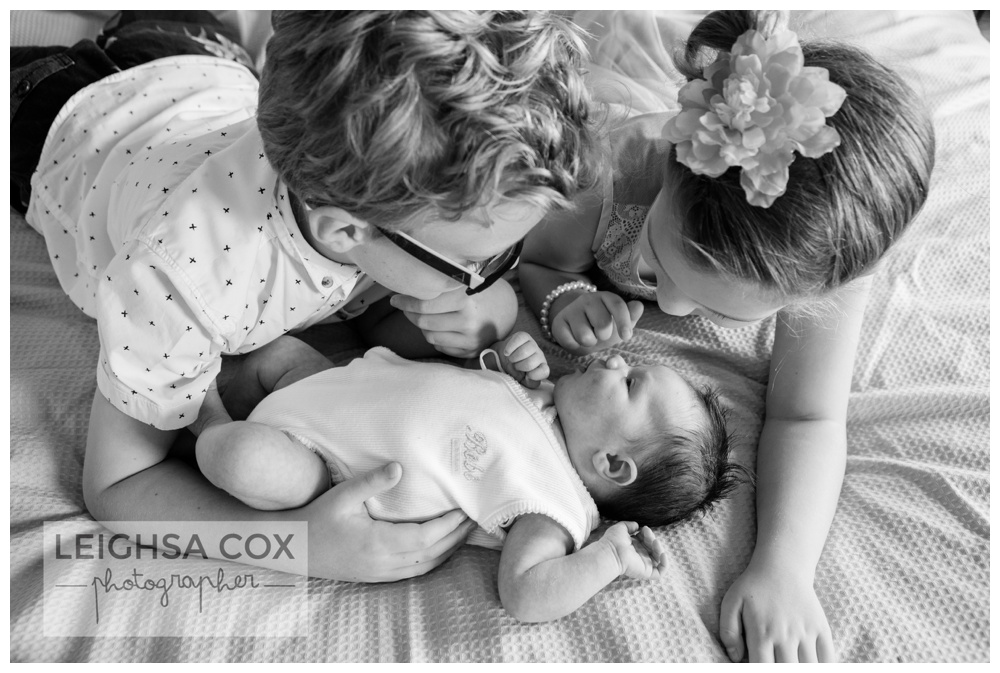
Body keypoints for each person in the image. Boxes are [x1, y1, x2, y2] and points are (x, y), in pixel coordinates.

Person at [11, 10, 599, 581]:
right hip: (59, 108)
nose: (492, 276)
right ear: (345, 232)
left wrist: (486, 317)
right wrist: (300, 546)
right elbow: (117, 486)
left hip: (206, 64)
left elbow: (389, 332)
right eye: (479, 262)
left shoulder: (372, 197)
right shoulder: (184, 282)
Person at [518, 9, 934, 661]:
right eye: (656, 260)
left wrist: (784, 568)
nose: (673, 308)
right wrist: (564, 296)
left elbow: (807, 414)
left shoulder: (813, 262)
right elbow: (541, 265)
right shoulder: (610, 171)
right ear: (673, 175)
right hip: (619, 93)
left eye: (721, 311)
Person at [188, 331, 749, 622]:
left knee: (242, 459)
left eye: (630, 385)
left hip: (325, 465)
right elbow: (464, 391)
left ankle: (200, 415)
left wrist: (607, 560)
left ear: (611, 466)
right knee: (272, 350)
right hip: (334, 384)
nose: (615, 360)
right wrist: (504, 361)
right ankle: (215, 376)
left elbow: (526, 595)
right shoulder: (548, 399)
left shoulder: (554, 505)